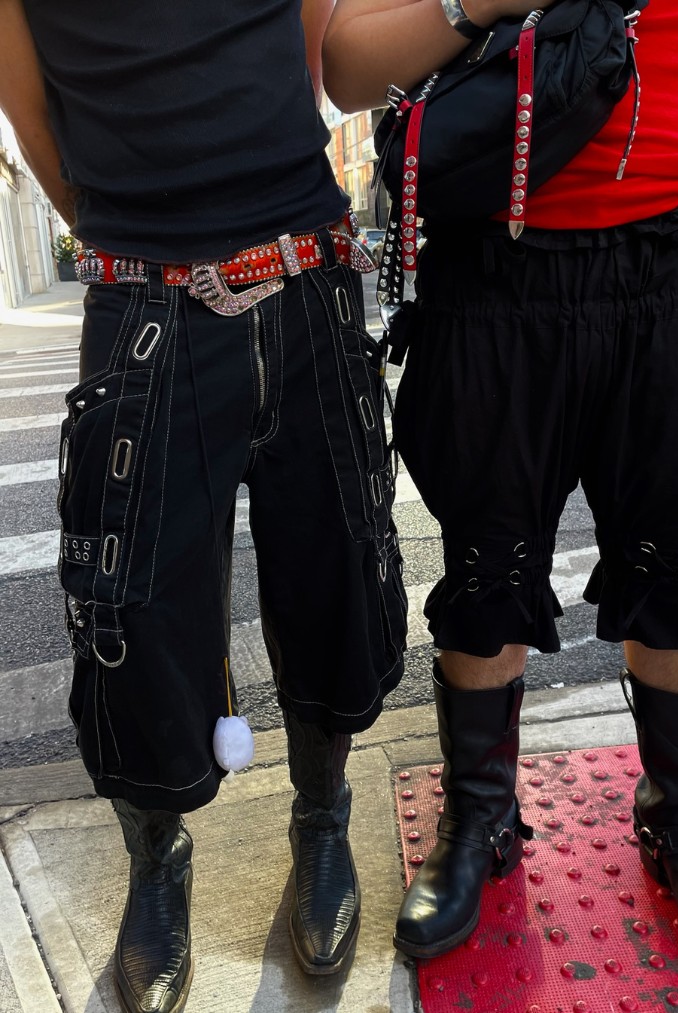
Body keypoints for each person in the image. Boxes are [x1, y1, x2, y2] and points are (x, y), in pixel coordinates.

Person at [323, 0, 678, 985]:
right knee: (485, 561)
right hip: (493, 261)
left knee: (677, 559)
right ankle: (479, 816)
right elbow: (346, 68)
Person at [0, 0, 408, 1009]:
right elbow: (28, 106)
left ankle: (321, 817)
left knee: (336, 567)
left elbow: (310, 50)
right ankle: (158, 859)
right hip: (143, 289)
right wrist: (133, 228)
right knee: (133, 610)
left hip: (306, 269)